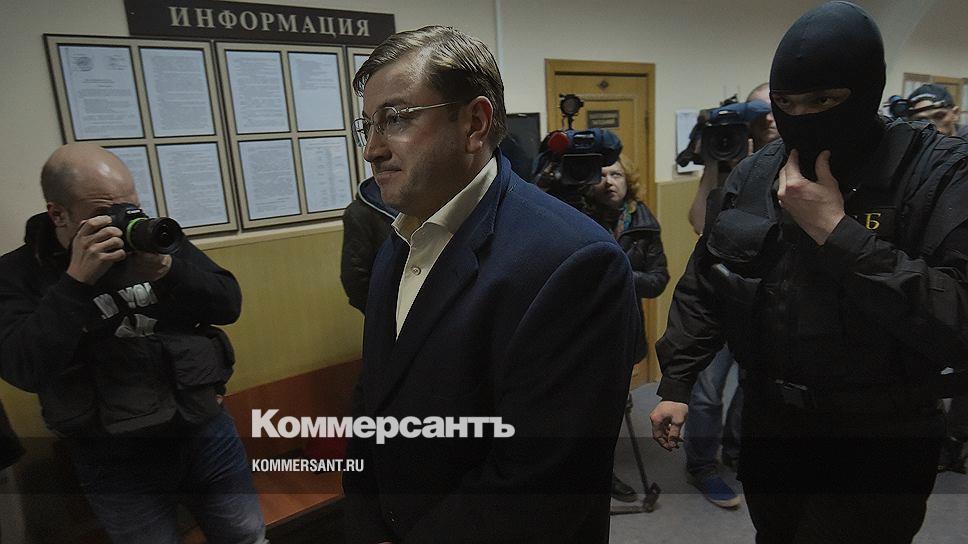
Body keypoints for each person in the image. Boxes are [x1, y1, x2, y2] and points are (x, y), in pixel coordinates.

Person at [650, 2, 968, 542]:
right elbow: (708, 280)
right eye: (787, 102)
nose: (802, 115)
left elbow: (957, 316)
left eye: (823, 100)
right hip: (774, 425)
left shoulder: (938, 173)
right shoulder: (757, 173)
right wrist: (677, 381)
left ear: (864, 90)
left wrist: (837, 231)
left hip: (880, 434)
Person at [343, 25, 641, 543]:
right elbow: (376, 399)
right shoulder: (402, 238)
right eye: (367, 125)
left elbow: (539, 486)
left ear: (475, 124)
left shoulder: (575, 262)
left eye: (396, 119)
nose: (372, 150)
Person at [0, 144, 266, 544]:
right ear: (58, 214)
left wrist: (168, 270)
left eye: (130, 206)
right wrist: (75, 282)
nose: (122, 220)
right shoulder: (18, 273)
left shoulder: (151, 241)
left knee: (245, 536)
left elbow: (228, 304)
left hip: (202, 430)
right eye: (104, 212)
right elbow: (24, 369)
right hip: (113, 457)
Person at [683, 83, 780, 509]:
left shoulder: (794, 165)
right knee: (706, 392)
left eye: (776, 107)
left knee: (751, 385)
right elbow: (699, 223)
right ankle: (702, 466)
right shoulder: (732, 158)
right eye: (760, 110)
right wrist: (714, 161)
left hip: (768, 300)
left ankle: (737, 452)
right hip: (721, 296)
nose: (770, 117)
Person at [589, 153, 669, 502]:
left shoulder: (644, 222)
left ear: (628, 181)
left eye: (617, 174)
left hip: (622, 329)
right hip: (582, 331)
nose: (609, 182)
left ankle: (602, 472)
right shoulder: (578, 214)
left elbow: (658, 280)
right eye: (602, 175)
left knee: (609, 410)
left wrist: (618, 275)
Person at [340, 176, 397, 313]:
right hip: (387, 310)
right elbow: (354, 278)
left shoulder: (421, 204)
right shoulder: (359, 212)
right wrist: (379, 314)